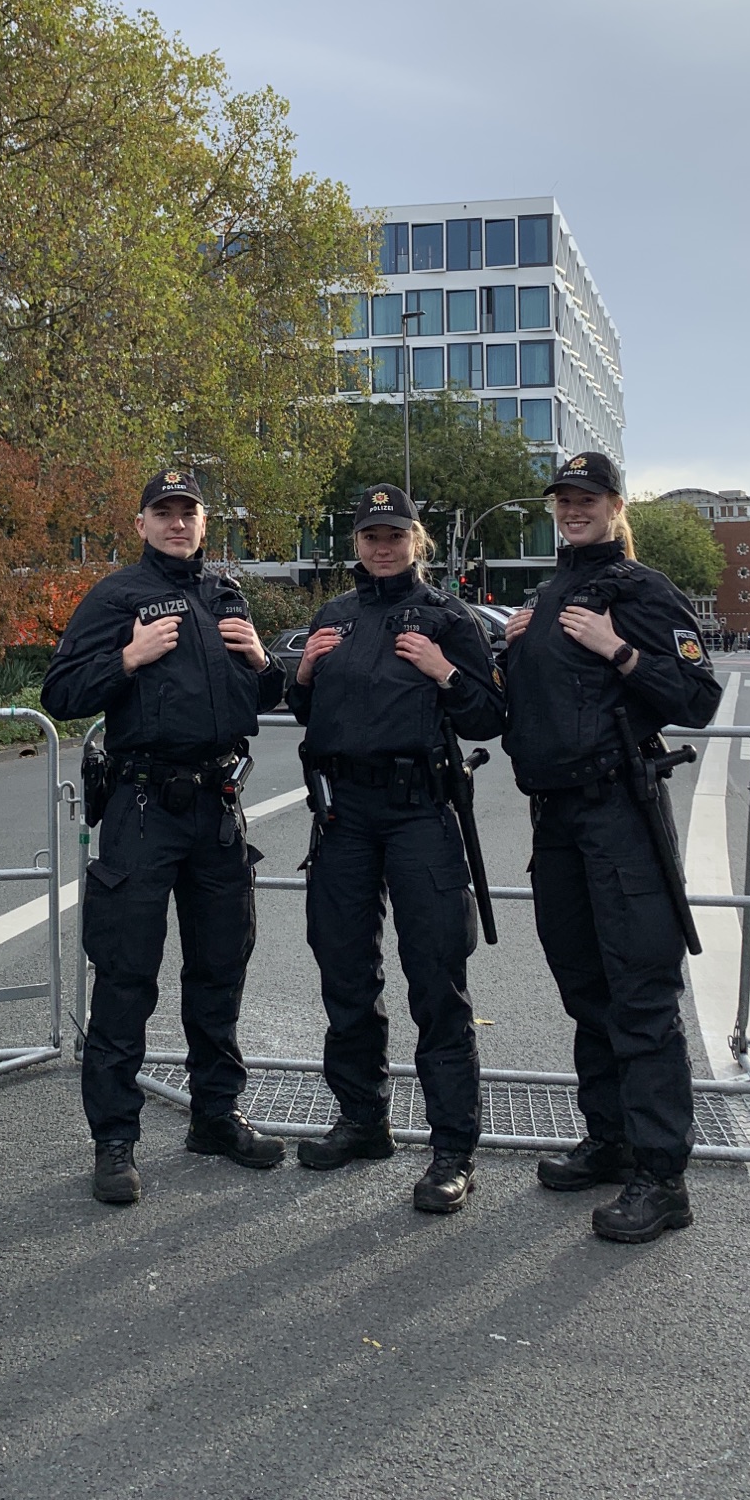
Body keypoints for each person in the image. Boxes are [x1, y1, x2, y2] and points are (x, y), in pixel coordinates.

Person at [41, 470, 288, 1205]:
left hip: (216, 807)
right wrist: (127, 657)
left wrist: (262, 663)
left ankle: (215, 1116)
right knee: (126, 975)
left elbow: (261, 698)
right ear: (142, 523)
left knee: (219, 971)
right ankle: (114, 1140)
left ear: (205, 523)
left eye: (189, 513)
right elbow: (60, 693)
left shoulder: (226, 596)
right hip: (143, 807)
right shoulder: (117, 597)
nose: (178, 524)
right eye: (164, 513)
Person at [497, 452, 721, 1244]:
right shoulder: (549, 592)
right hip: (554, 819)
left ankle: (662, 1177)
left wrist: (618, 649)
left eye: (587, 499)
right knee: (585, 986)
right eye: (564, 499)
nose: (572, 510)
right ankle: (611, 1136)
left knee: (641, 995)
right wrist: (510, 651)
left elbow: (699, 697)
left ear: (617, 504)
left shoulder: (642, 591)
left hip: (619, 813)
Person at [288, 483, 503, 1215]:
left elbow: (487, 715)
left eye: (396, 534)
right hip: (345, 814)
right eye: (371, 536)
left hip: (419, 812)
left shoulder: (450, 616)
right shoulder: (335, 616)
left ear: (419, 540)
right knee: (345, 972)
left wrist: (444, 671)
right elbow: (308, 713)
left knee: (436, 980)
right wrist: (306, 675)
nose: (383, 546)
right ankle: (362, 1119)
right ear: (357, 545)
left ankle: (452, 1150)